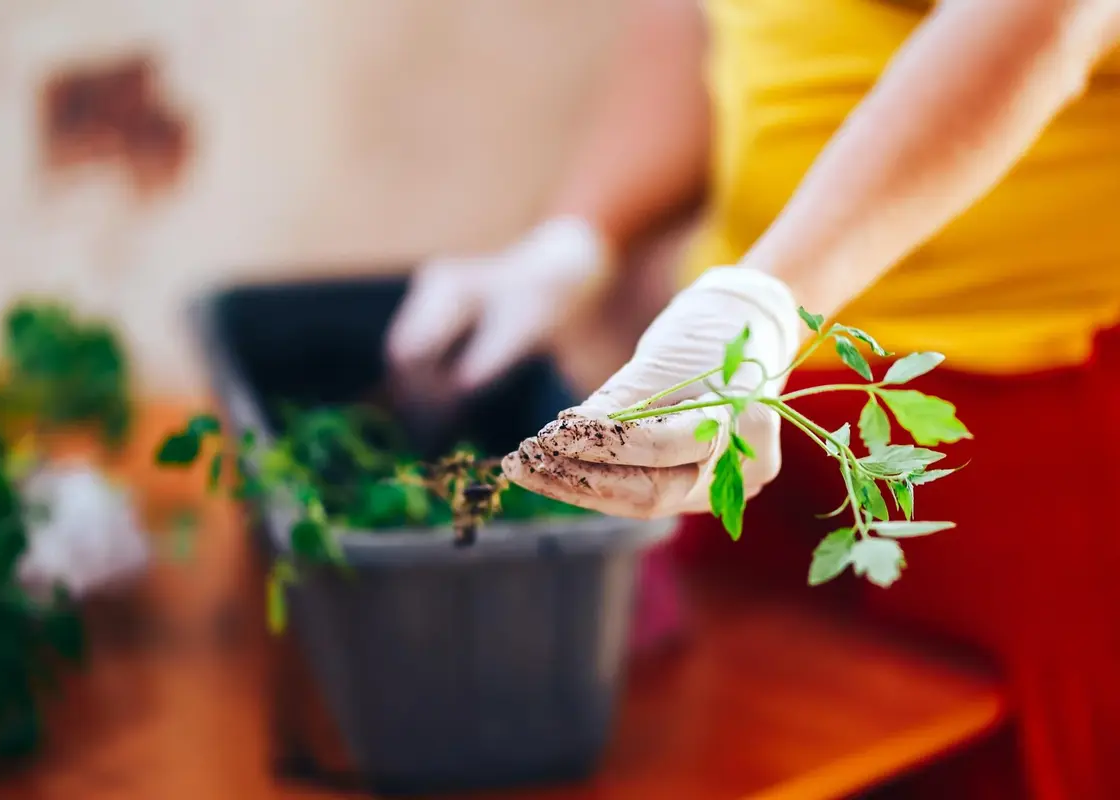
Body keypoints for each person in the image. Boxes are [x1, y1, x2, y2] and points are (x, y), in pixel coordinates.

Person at [387, 0, 1120, 797]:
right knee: (734, 749)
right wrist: (578, 238)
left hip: (1019, 417)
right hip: (747, 400)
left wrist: (768, 300)